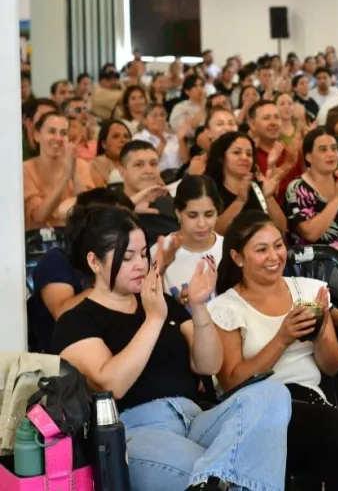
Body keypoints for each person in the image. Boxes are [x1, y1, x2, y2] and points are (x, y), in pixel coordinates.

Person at [51, 205, 292, 491]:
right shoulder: (77, 320)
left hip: (195, 420)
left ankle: (215, 480)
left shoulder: (160, 300)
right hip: (136, 432)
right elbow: (111, 384)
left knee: (272, 393)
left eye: (143, 254)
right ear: (94, 261)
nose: (141, 264)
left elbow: (209, 365)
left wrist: (199, 306)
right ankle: (218, 479)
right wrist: (154, 319)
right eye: (127, 257)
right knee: (236, 471)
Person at [207, 211, 338, 490]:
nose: (274, 257)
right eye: (261, 250)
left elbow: (333, 366)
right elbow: (231, 383)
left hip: (313, 404)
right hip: (258, 413)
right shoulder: (226, 307)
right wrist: (282, 338)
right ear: (238, 258)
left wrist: (322, 332)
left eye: (278, 245)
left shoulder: (308, 291)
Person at [28, 188, 135, 352]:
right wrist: (111, 278)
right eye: (121, 224)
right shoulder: (57, 261)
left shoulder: (131, 260)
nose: (131, 231)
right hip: (68, 367)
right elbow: (63, 314)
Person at [149, 175, 224, 304]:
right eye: (192, 215)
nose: (202, 224)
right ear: (178, 213)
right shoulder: (160, 252)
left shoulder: (229, 248)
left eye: (209, 214)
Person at [204, 131, 287, 234]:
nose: (244, 158)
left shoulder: (260, 188)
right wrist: (240, 201)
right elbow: (214, 232)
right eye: (237, 152)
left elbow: (282, 228)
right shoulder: (209, 190)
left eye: (249, 154)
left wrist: (269, 198)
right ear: (221, 157)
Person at [23, 111, 95, 230]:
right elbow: (39, 217)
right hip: (39, 242)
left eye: (63, 133)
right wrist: (65, 178)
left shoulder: (80, 165)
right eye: (51, 131)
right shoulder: (26, 169)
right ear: (37, 135)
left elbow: (89, 209)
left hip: (74, 238)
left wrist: (74, 172)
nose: (58, 138)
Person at [134, 103, 189, 172]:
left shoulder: (173, 137)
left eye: (162, 115)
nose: (160, 118)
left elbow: (186, 162)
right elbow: (147, 162)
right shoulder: (139, 138)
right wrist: (163, 142)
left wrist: (180, 139)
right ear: (144, 121)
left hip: (179, 177)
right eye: (154, 116)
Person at [89, 120, 132, 187]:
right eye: (116, 136)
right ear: (104, 144)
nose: (123, 140)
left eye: (126, 136)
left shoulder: (137, 163)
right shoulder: (96, 165)